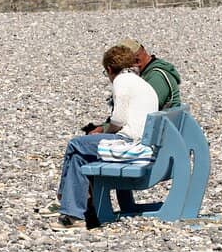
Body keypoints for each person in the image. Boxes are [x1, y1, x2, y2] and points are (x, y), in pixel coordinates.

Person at [50, 45, 159, 231]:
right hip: (146, 142)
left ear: (109, 69)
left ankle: (62, 197)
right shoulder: (141, 82)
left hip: (131, 143)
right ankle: (72, 215)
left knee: (75, 143)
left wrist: (106, 132)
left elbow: (119, 118)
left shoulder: (122, 81)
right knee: (78, 157)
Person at [115, 39, 182, 110]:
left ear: (137, 61)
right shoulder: (148, 71)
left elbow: (144, 109)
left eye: (122, 65)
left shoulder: (157, 77)